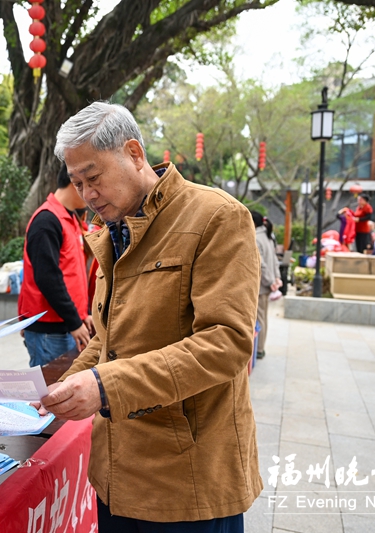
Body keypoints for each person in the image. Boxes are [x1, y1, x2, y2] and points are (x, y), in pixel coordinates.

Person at [40, 102, 261, 531]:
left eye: (94, 177)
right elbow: (108, 338)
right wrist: (67, 386)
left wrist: (105, 386)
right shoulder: (112, 230)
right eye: (77, 183)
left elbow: (226, 342)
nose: (87, 195)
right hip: (117, 473)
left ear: (135, 154)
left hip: (187, 475)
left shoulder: (216, 217)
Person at [18, 164, 94, 366]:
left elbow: (73, 273)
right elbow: (48, 278)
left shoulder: (69, 217)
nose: (92, 194)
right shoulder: (46, 221)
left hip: (65, 324)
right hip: (50, 330)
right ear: (75, 183)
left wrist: (82, 314)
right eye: (88, 185)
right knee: (51, 392)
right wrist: (74, 321)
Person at [252, 212, 281, 359]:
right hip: (267, 284)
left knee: (259, 319)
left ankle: (259, 349)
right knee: (263, 317)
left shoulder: (256, 238)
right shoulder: (268, 236)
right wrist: (276, 278)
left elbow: (261, 265)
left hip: (261, 285)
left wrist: (271, 282)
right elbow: (275, 260)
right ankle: (260, 348)